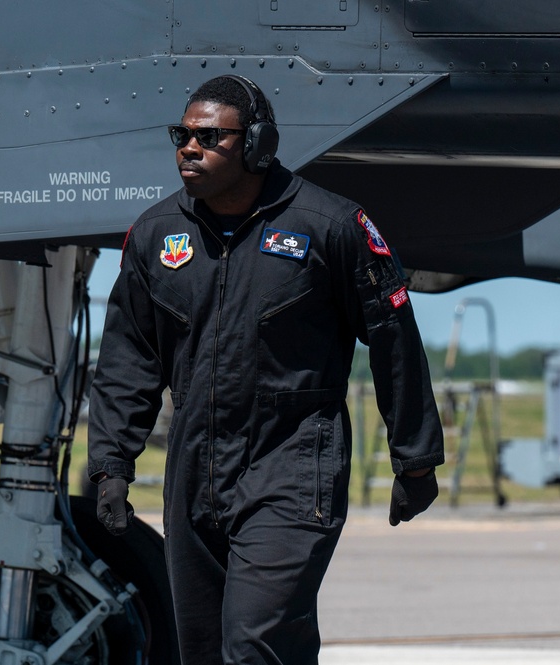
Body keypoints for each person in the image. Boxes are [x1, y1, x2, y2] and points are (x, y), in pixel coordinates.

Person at [87, 74, 444, 665]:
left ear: (258, 145)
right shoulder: (156, 236)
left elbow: (393, 341)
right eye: (181, 134)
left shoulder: (331, 228)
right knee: (200, 652)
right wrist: (111, 463)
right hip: (193, 469)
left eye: (208, 137)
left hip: (292, 464)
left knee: (257, 644)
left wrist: (416, 458)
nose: (188, 148)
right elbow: (130, 358)